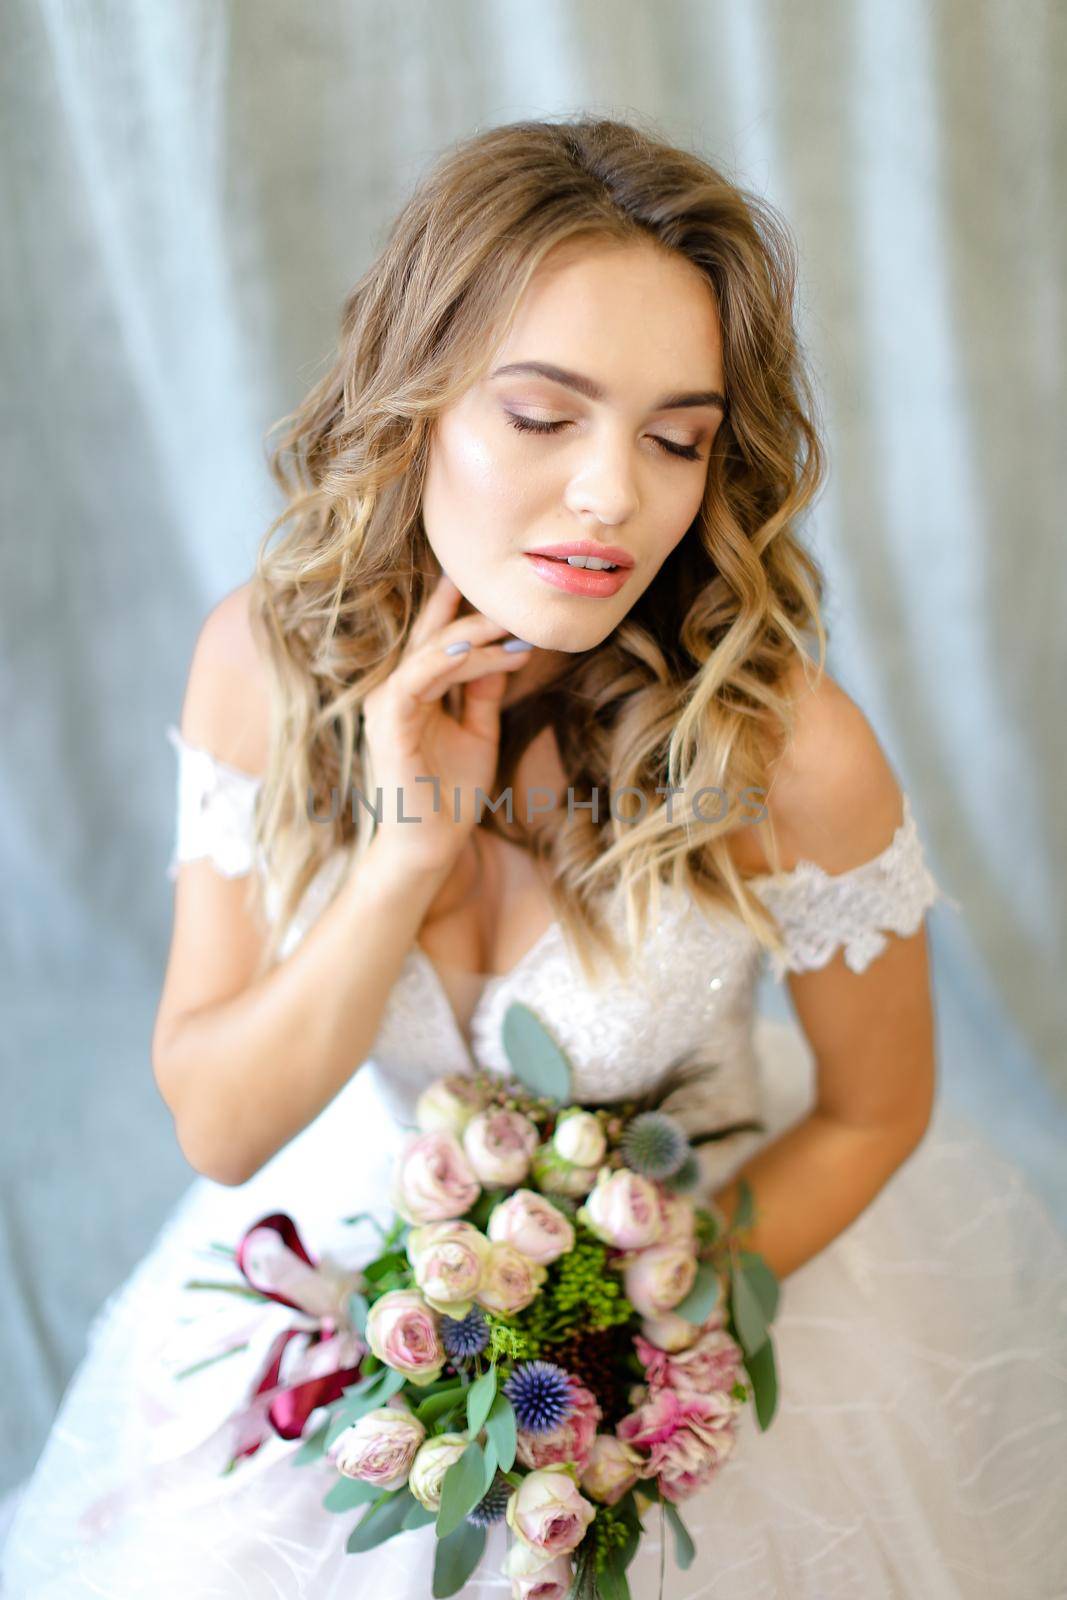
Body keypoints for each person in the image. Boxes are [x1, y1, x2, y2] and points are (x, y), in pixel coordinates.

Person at [4, 114, 1065, 1600]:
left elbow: (880, 1110)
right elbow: (225, 1128)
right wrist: (398, 857)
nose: (612, 499)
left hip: (680, 1306)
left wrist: (627, 1310)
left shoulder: (791, 752)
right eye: (542, 415)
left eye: (677, 438)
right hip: (357, 1297)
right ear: (417, 399)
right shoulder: (259, 664)